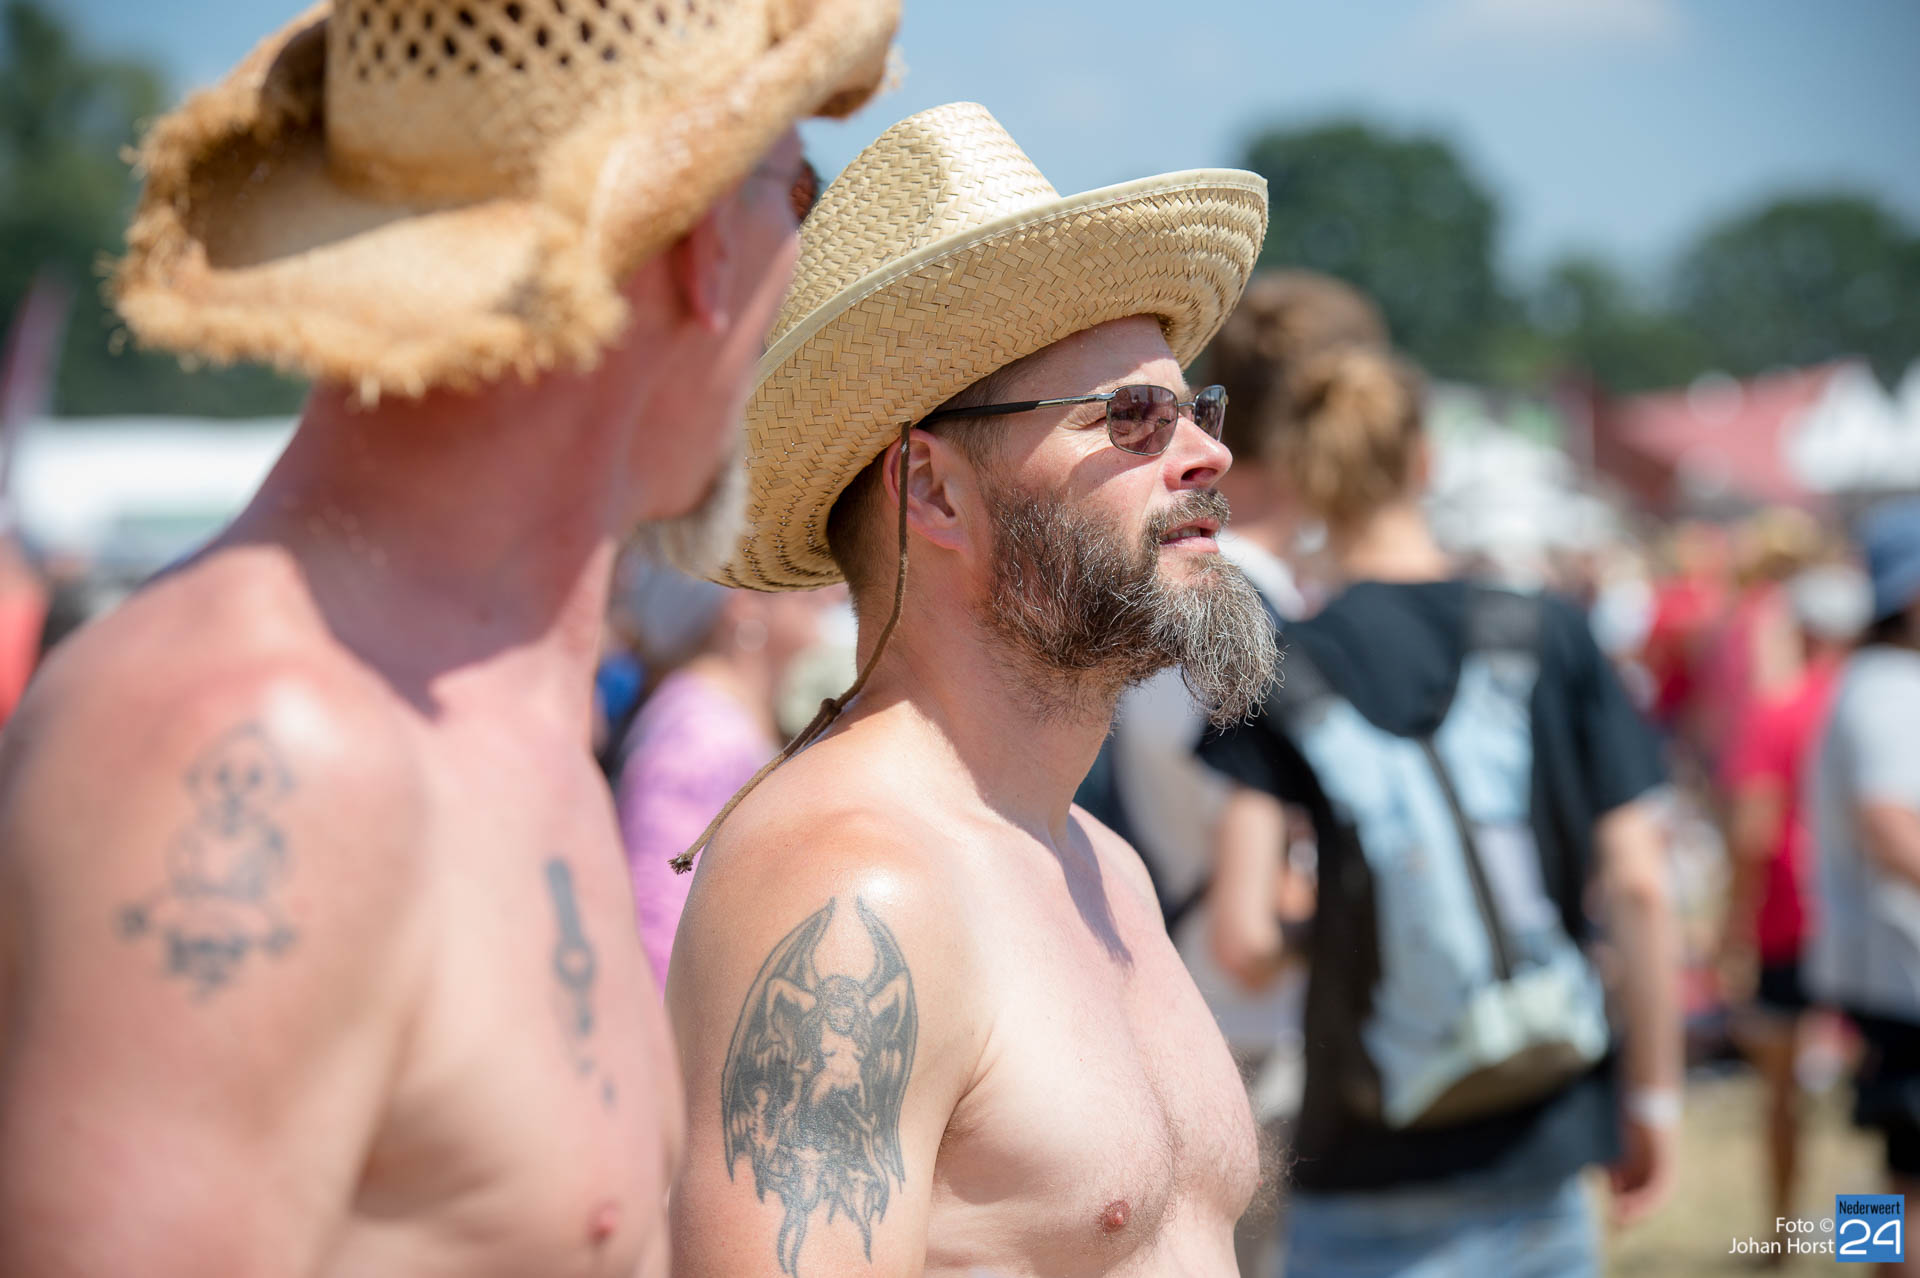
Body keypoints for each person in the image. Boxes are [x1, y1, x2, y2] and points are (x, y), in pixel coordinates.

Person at [0, 0, 898, 1272]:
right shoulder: (268, 741)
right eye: (796, 192)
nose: (793, 268)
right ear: (705, 247)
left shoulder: (480, 707)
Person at [664, 102, 1276, 1277]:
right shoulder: (850, 886)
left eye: (1197, 409)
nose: (1207, 453)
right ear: (932, 491)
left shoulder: (1101, 862)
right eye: (1134, 417)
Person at [1196, 344, 1681, 1277]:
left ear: (1299, 477)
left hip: (1366, 1163)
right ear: (1427, 459)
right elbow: (1641, 886)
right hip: (1542, 1137)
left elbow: (1242, 938)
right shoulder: (1548, 630)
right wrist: (1652, 1097)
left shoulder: (1280, 666)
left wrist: (1350, 917)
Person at [1719, 564, 1869, 1247]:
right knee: (1873, 1105)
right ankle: (1867, 1241)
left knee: (1781, 1095)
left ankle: (1784, 1240)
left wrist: (1732, 929)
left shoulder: (1776, 710)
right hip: (1862, 925)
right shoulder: (1878, 710)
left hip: (1787, 921)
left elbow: (1752, 832)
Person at [614, 564, 833, 990]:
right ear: (744, 603)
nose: (832, 592)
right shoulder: (700, 732)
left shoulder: (720, 718)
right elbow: (658, 921)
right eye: (800, 573)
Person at [1807, 498, 1920, 1278]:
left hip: (1883, 965)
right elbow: (1887, 823)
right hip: (1902, 966)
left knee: (1892, 1157)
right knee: (1905, 1163)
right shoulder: (1889, 685)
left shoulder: (1869, 679)